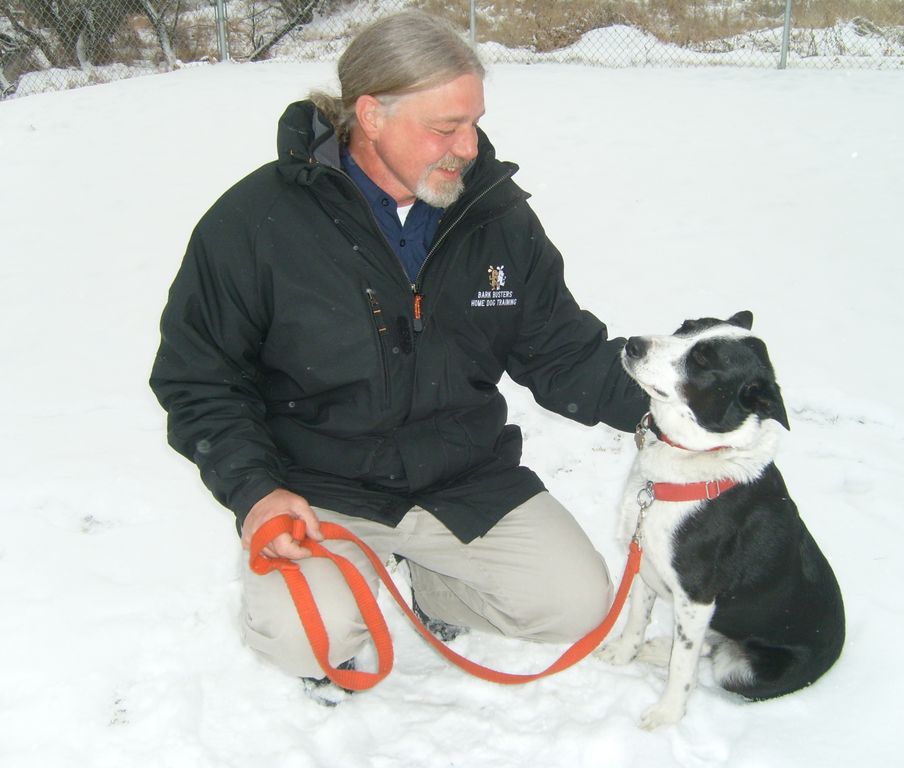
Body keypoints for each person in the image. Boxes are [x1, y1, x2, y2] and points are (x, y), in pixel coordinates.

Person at [150, 9, 647, 704]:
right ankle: (329, 594)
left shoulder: (495, 217)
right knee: (309, 638)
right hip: (320, 486)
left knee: (575, 604)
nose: (469, 146)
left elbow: (561, 349)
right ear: (371, 115)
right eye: (445, 128)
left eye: (473, 121)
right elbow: (200, 378)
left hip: (462, 478)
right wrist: (258, 493)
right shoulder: (256, 222)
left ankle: (438, 584)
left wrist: (669, 409)